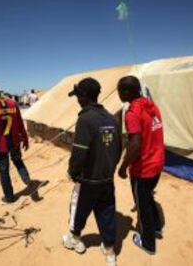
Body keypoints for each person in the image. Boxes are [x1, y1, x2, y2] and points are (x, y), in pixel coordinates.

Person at [62, 78, 121, 266]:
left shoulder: (85, 119)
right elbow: (119, 149)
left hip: (88, 180)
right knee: (107, 211)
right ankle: (110, 250)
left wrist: (73, 172)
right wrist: (109, 169)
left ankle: (75, 240)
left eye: (78, 95)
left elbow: (79, 152)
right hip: (106, 179)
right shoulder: (112, 118)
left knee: (78, 209)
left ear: (84, 96)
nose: (77, 99)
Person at [117, 75, 165, 255]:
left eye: (120, 91)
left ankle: (148, 243)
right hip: (158, 162)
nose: (119, 94)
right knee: (148, 198)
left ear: (128, 91)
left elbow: (135, 144)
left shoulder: (132, 113)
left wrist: (122, 167)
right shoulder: (152, 107)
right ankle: (157, 227)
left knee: (142, 204)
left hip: (143, 168)